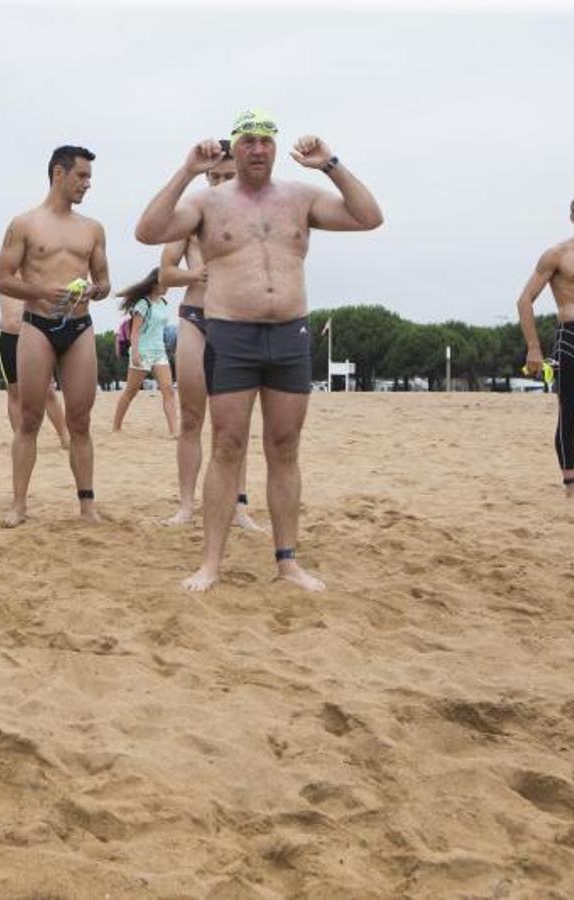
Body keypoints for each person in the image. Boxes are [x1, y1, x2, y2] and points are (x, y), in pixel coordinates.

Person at [136, 110, 383, 591]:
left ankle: (287, 561)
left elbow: (369, 217)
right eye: (248, 140)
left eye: (266, 140)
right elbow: (148, 231)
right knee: (226, 445)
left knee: (284, 448)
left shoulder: (302, 196)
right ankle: (211, 563)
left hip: (290, 333)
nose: (257, 149)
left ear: (275, 146)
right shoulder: (209, 202)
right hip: (231, 333)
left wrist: (330, 163)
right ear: (236, 146)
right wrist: (186, 170)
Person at [0, 145, 111, 527]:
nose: (88, 184)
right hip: (37, 325)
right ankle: (18, 504)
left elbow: (105, 282)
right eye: (82, 176)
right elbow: (4, 279)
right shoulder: (25, 224)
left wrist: (94, 291)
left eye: (89, 177)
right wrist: (43, 292)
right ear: (59, 174)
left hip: (79, 326)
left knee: (80, 420)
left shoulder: (92, 228)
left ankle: (87, 504)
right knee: (29, 418)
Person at [160, 148, 259, 530]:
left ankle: (238, 505)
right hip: (195, 318)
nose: (220, 183)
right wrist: (194, 275)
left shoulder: (254, 218)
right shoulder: (190, 218)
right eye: (214, 177)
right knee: (191, 417)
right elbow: (166, 272)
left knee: (234, 424)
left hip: (237, 322)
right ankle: (186, 505)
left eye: (228, 176)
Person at [516, 194, 574, 497]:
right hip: (573, 334)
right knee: (570, 409)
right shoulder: (556, 255)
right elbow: (525, 301)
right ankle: (571, 482)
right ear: (573, 217)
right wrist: (534, 348)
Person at [0, 252, 69, 448]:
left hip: (35, 336)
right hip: (8, 338)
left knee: (47, 391)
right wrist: (0, 255)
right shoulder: (2, 278)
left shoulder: (38, 279)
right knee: (14, 392)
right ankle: (21, 439)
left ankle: (65, 436)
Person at [111, 269, 177, 436]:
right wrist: (135, 354)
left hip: (159, 352)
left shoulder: (163, 303)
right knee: (131, 391)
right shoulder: (142, 303)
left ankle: (174, 431)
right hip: (142, 352)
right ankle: (116, 426)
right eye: (165, 283)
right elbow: (135, 331)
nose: (168, 287)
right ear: (155, 284)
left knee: (168, 390)